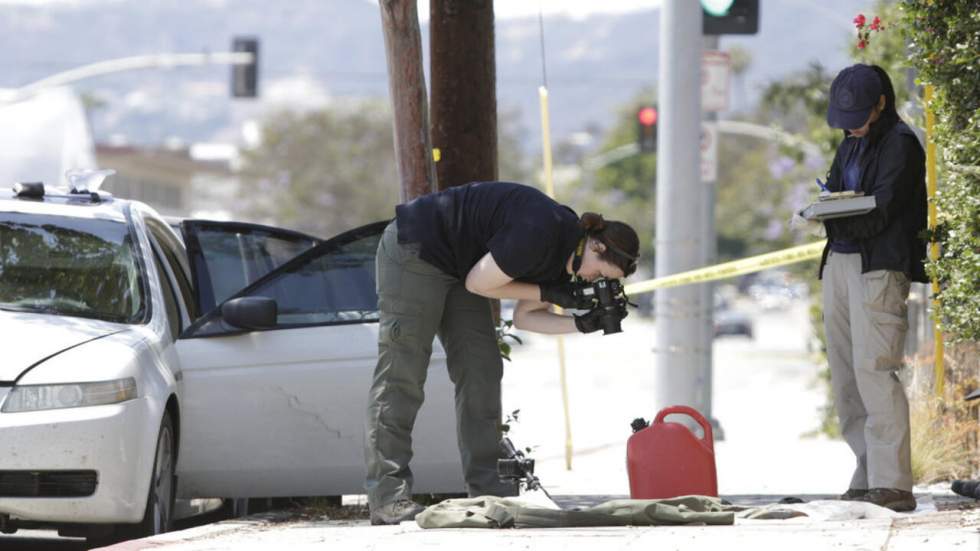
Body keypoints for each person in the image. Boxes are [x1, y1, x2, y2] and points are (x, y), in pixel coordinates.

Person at [364, 181, 639, 525]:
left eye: (601, 281)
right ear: (595, 244)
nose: (592, 280)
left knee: (482, 370)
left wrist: (583, 324)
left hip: (463, 267)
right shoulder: (538, 232)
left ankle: (487, 490)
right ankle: (388, 497)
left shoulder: (569, 259)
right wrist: (551, 292)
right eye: (597, 273)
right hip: (418, 250)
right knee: (402, 374)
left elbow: (525, 317)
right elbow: (479, 284)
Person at [819, 64, 927, 512]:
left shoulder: (900, 143)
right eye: (847, 118)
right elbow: (832, 193)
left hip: (877, 267)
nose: (854, 125)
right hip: (840, 262)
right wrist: (822, 209)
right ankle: (866, 472)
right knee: (847, 377)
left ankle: (893, 482)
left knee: (875, 369)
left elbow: (882, 212)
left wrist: (832, 214)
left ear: (881, 104)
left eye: (861, 115)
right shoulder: (849, 142)